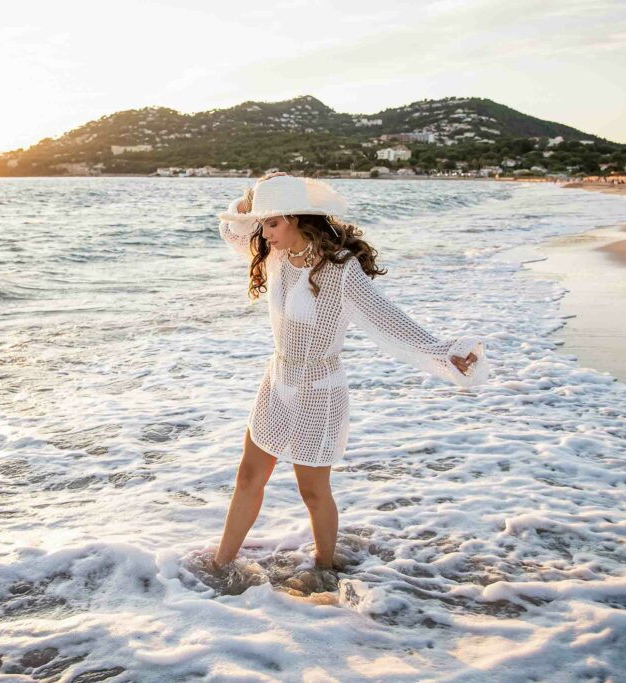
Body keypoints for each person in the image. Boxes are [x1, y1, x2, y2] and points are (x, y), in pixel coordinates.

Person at [205, 172, 490, 585]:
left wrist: (443, 354)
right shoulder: (277, 257)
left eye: (272, 223)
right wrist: (250, 201)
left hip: (319, 391)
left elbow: (389, 320)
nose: (263, 235)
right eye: (263, 224)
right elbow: (233, 231)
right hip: (278, 382)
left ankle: (325, 569)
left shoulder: (341, 270)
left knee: (313, 491)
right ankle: (219, 565)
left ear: (299, 219)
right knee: (249, 476)